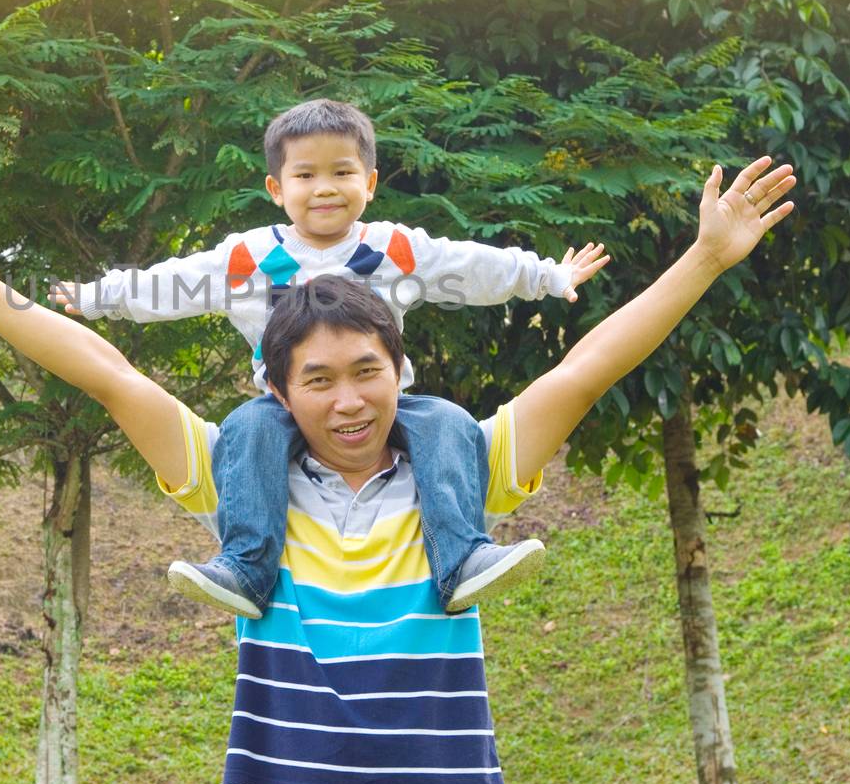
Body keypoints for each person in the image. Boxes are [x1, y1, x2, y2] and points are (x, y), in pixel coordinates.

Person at [0, 156, 795, 784]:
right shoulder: (239, 475)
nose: (348, 401)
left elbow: (586, 369)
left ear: (399, 366)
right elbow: (111, 375)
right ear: (276, 389)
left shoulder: (462, 466)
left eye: (366, 371)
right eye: (317, 380)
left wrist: (707, 257)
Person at [48, 99, 609, 619]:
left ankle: (462, 558)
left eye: (342, 173)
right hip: (282, 407)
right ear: (276, 187)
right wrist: (99, 297)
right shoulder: (249, 257)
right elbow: (174, 283)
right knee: (247, 430)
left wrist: (546, 276)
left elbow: (474, 267)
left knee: (448, 422)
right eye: (305, 175)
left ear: (368, 182)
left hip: (382, 407)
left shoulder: (396, 249)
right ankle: (245, 567)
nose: (325, 189)